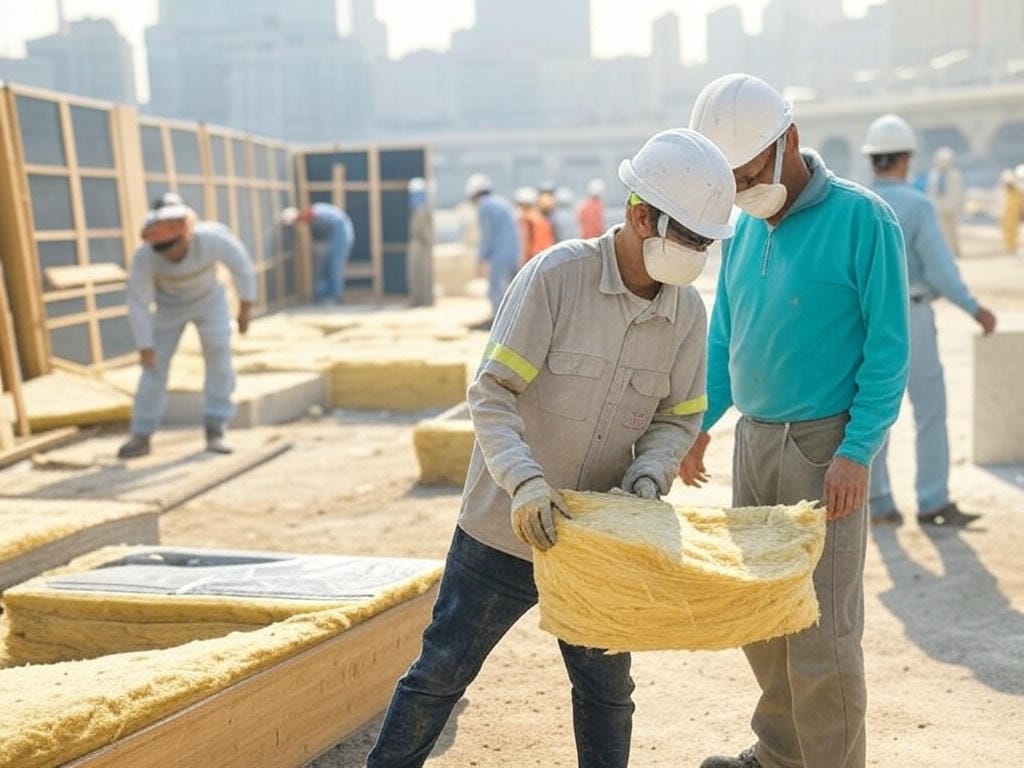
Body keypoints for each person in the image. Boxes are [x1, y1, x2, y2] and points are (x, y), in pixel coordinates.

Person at [366, 128, 736, 768]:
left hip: (598, 538)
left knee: (605, 692)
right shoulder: (555, 279)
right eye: (685, 236)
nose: (693, 253)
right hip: (504, 528)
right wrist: (525, 484)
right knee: (440, 674)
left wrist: (649, 478)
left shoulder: (686, 314)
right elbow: (493, 392)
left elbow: (678, 419)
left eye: (704, 242)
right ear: (639, 213)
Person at [680, 73, 910, 768]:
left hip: (824, 452)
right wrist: (700, 422)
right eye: (734, 182)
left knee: (820, 636)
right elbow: (727, 341)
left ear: (791, 142)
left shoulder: (863, 220)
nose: (745, 192)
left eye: (752, 174)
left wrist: (858, 450)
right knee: (762, 618)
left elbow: (889, 351)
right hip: (755, 445)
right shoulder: (744, 232)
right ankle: (781, 755)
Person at [861, 114, 996, 528]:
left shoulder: (861, 205)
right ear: (904, 159)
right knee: (930, 411)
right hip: (911, 316)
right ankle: (932, 500)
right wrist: (975, 308)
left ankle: (879, 502)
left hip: (866, 321)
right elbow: (940, 270)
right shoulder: (917, 206)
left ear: (873, 161)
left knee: (873, 411)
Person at [118, 193, 256, 459]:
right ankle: (141, 434)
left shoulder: (214, 239)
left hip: (210, 301)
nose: (171, 251)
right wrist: (145, 346)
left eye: (175, 242)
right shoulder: (144, 257)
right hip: (169, 306)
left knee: (219, 357)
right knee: (153, 367)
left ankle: (216, 427)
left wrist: (245, 310)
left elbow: (242, 268)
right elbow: (138, 302)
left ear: (187, 232)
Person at [465, 173, 520, 329]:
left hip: (500, 253)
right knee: (511, 290)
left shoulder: (485, 207)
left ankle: (500, 324)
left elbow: (487, 236)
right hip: (513, 251)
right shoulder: (502, 202)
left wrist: (481, 258)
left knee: (496, 289)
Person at [282, 202, 354, 303]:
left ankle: (335, 297)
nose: (301, 222)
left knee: (335, 266)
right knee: (331, 265)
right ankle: (330, 296)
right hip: (338, 233)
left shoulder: (313, 213)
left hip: (340, 234)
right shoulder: (314, 212)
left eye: (298, 220)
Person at [925, 146, 965, 259]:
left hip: (952, 208)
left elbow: (959, 192)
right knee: (942, 232)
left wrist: (958, 206)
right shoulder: (933, 175)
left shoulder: (955, 174)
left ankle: (955, 251)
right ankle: (947, 253)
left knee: (953, 231)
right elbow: (931, 192)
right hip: (939, 208)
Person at [406, 177, 435, 307]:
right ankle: (417, 300)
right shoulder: (417, 210)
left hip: (423, 246)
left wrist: (428, 243)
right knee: (415, 274)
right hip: (416, 244)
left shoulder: (424, 210)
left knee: (423, 275)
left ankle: (424, 301)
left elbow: (426, 231)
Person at [514, 185, 555, 265]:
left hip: (533, 259)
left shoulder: (527, 220)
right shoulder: (542, 219)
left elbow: (525, 245)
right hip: (544, 258)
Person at [1000, 168, 1021, 254]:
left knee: (1012, 230)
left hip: (1012, 215)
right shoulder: (1007, 192)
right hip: (1008, 215)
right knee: (1008, 230)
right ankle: (1010, 246)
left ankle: (1011, 247)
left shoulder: (1016, 192)